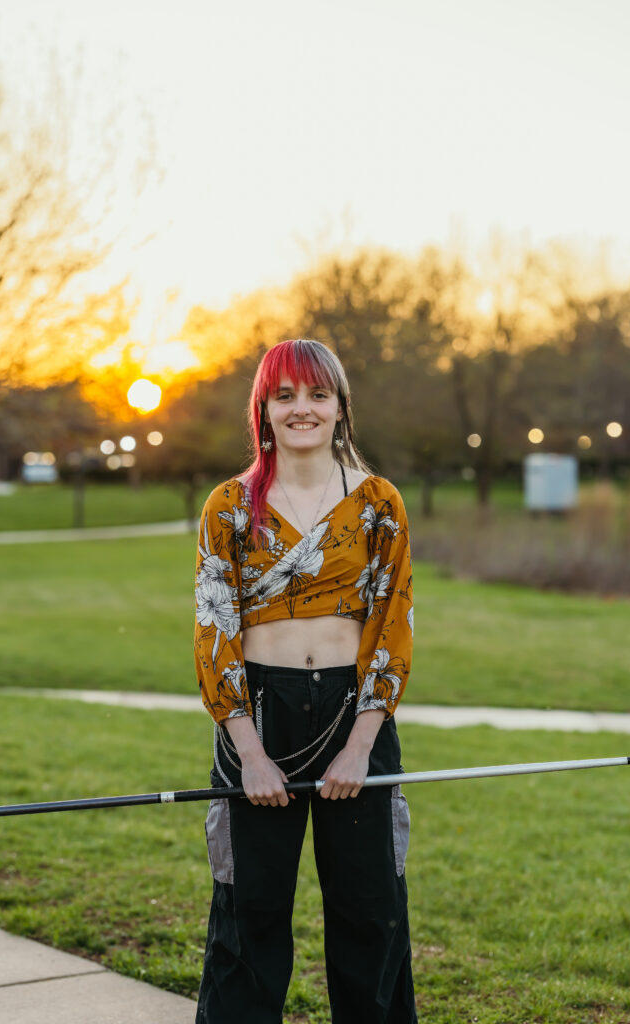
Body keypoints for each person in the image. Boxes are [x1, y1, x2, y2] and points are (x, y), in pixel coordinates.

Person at [194, 338, 417, 1024]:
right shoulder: (229, 506)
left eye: (318, 395)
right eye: (284, 395)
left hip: (356, 714)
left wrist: (361, 745)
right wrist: (250, 754)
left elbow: (393, 624)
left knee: (371, 908)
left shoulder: (379, 503)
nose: (302, 409)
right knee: (250, 911)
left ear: (340, 407)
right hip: (260, 715)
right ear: (262, 410)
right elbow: (214, 631)